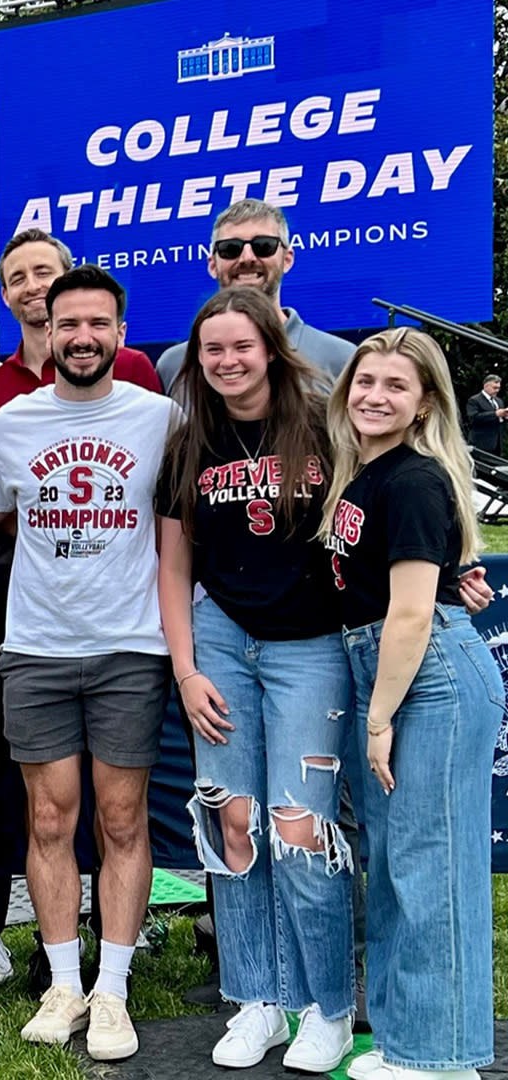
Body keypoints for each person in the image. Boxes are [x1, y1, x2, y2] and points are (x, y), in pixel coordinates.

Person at [0, 265, 180, 1062]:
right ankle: (64, 982)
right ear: (45, 331)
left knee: (122, 819)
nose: (83, 337)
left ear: (120, 334)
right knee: (50, 818)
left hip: (130, 646)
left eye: (99, 324)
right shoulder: (12, 424)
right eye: (69, 325)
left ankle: (114, 989)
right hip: (37, 648)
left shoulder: (160, 418)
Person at [156, 286, 357, 1072]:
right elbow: (174, 565)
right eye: (213, 350)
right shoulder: (191, 440)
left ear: (271, 347)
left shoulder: (322, 424)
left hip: (308, 645)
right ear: (197, 360)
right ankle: (256, 999)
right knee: (232, 822)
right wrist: (185, 669)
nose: (227, 361)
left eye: (241, 346)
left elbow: (376, 513)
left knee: (300, 828)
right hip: (220, 639)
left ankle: (327, 1005)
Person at [320, 328, 499, 1080]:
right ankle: (409, 1041)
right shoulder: (365, 473)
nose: (375, 396)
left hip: (425, 681)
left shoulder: (415, 477)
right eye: (365, 381)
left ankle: (440, 1056)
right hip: (395, 670)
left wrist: (379, 717)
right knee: (397, 865)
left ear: (426, 401)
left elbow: (411, 615)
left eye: (396, 386)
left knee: (434, 869)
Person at [154, 200, 357, 390]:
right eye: (230, 248)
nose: (247, 258)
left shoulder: (340, 359)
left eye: (264, 246)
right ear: (212, 264)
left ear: (287, 259)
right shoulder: (174, 366)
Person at [0, 229, 162, 418]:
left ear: (68, 278)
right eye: (18, 279)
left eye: (42, 273)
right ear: (6, 296)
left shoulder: (130, 366)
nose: (33, 287)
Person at [463, 373, 504, 455]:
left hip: (496, 444)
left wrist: (505, 416)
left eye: (498, 388)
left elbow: (499, 420)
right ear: (486, 386)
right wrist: (495, 414)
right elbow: (473, 418)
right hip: (481, 444)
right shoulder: (475, 400)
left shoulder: (499, 401)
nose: (497, 390)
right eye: (494, 388)